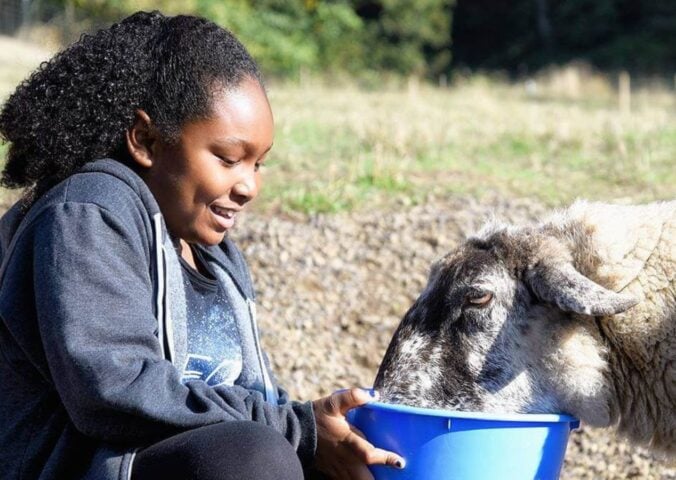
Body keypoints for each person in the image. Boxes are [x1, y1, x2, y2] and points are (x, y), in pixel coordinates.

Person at [0, 11, 404, 480]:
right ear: (146, 139)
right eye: (229, 159)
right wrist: (297, 431)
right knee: (254, 458)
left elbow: (252, 400)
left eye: (258, 164)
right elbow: (111, 392)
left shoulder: (216, 257)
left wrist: (322, 436)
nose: (249, 185)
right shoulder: (89, 211)